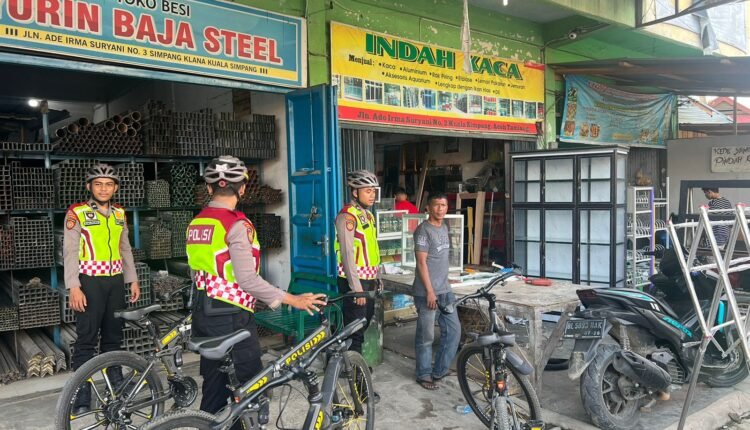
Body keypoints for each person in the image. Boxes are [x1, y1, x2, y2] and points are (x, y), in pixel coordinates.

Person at [186, 155, 326, 428]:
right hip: (231, 316)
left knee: (214, 389)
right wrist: (291, 299)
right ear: (242, 189)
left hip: (203, 312)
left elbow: (196, 272)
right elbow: (247, 279)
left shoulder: (197, 223)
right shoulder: (237, 224)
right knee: (250, 389)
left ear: (210, 188)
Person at [64, 164, 140, 415]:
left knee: (113, 337)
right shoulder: (78, 212)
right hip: (89, 282)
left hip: (115, 282)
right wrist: (74, 286)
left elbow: (125, 247)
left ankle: (115, 384)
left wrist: (132, 279)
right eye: (98, 184)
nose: (103, 189)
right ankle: (82, 392)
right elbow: (70, 252)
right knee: (86, 338)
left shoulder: (119, 213)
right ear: (89, 186)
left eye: (108, 184)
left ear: (115, 188)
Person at [412, 193, 461, 390]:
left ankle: (440, 369)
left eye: (444, 205)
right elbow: (421, 263)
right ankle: (424, 374)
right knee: (426, 337)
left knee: (454, 331)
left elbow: (440, 259)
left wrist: (447, 279)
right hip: (427, 293)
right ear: (428, 207)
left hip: (445, 291)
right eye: (436, 205)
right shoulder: (423, 230)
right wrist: (430, 291)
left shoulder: (444, 227)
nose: (440, 209)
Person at [334, 169, 382, 355]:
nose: (372, 195)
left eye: (374, 191)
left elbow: (372, 249)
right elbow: (347, 255)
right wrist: (356, 288)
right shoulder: (347, 216)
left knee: (364, 322)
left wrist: (377, 277)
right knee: (355, 329)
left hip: (368, 279)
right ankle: (352, 367)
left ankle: (349, 361)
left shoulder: (368, 215)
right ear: (355, 192)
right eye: (368, 191)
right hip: (354, 281)